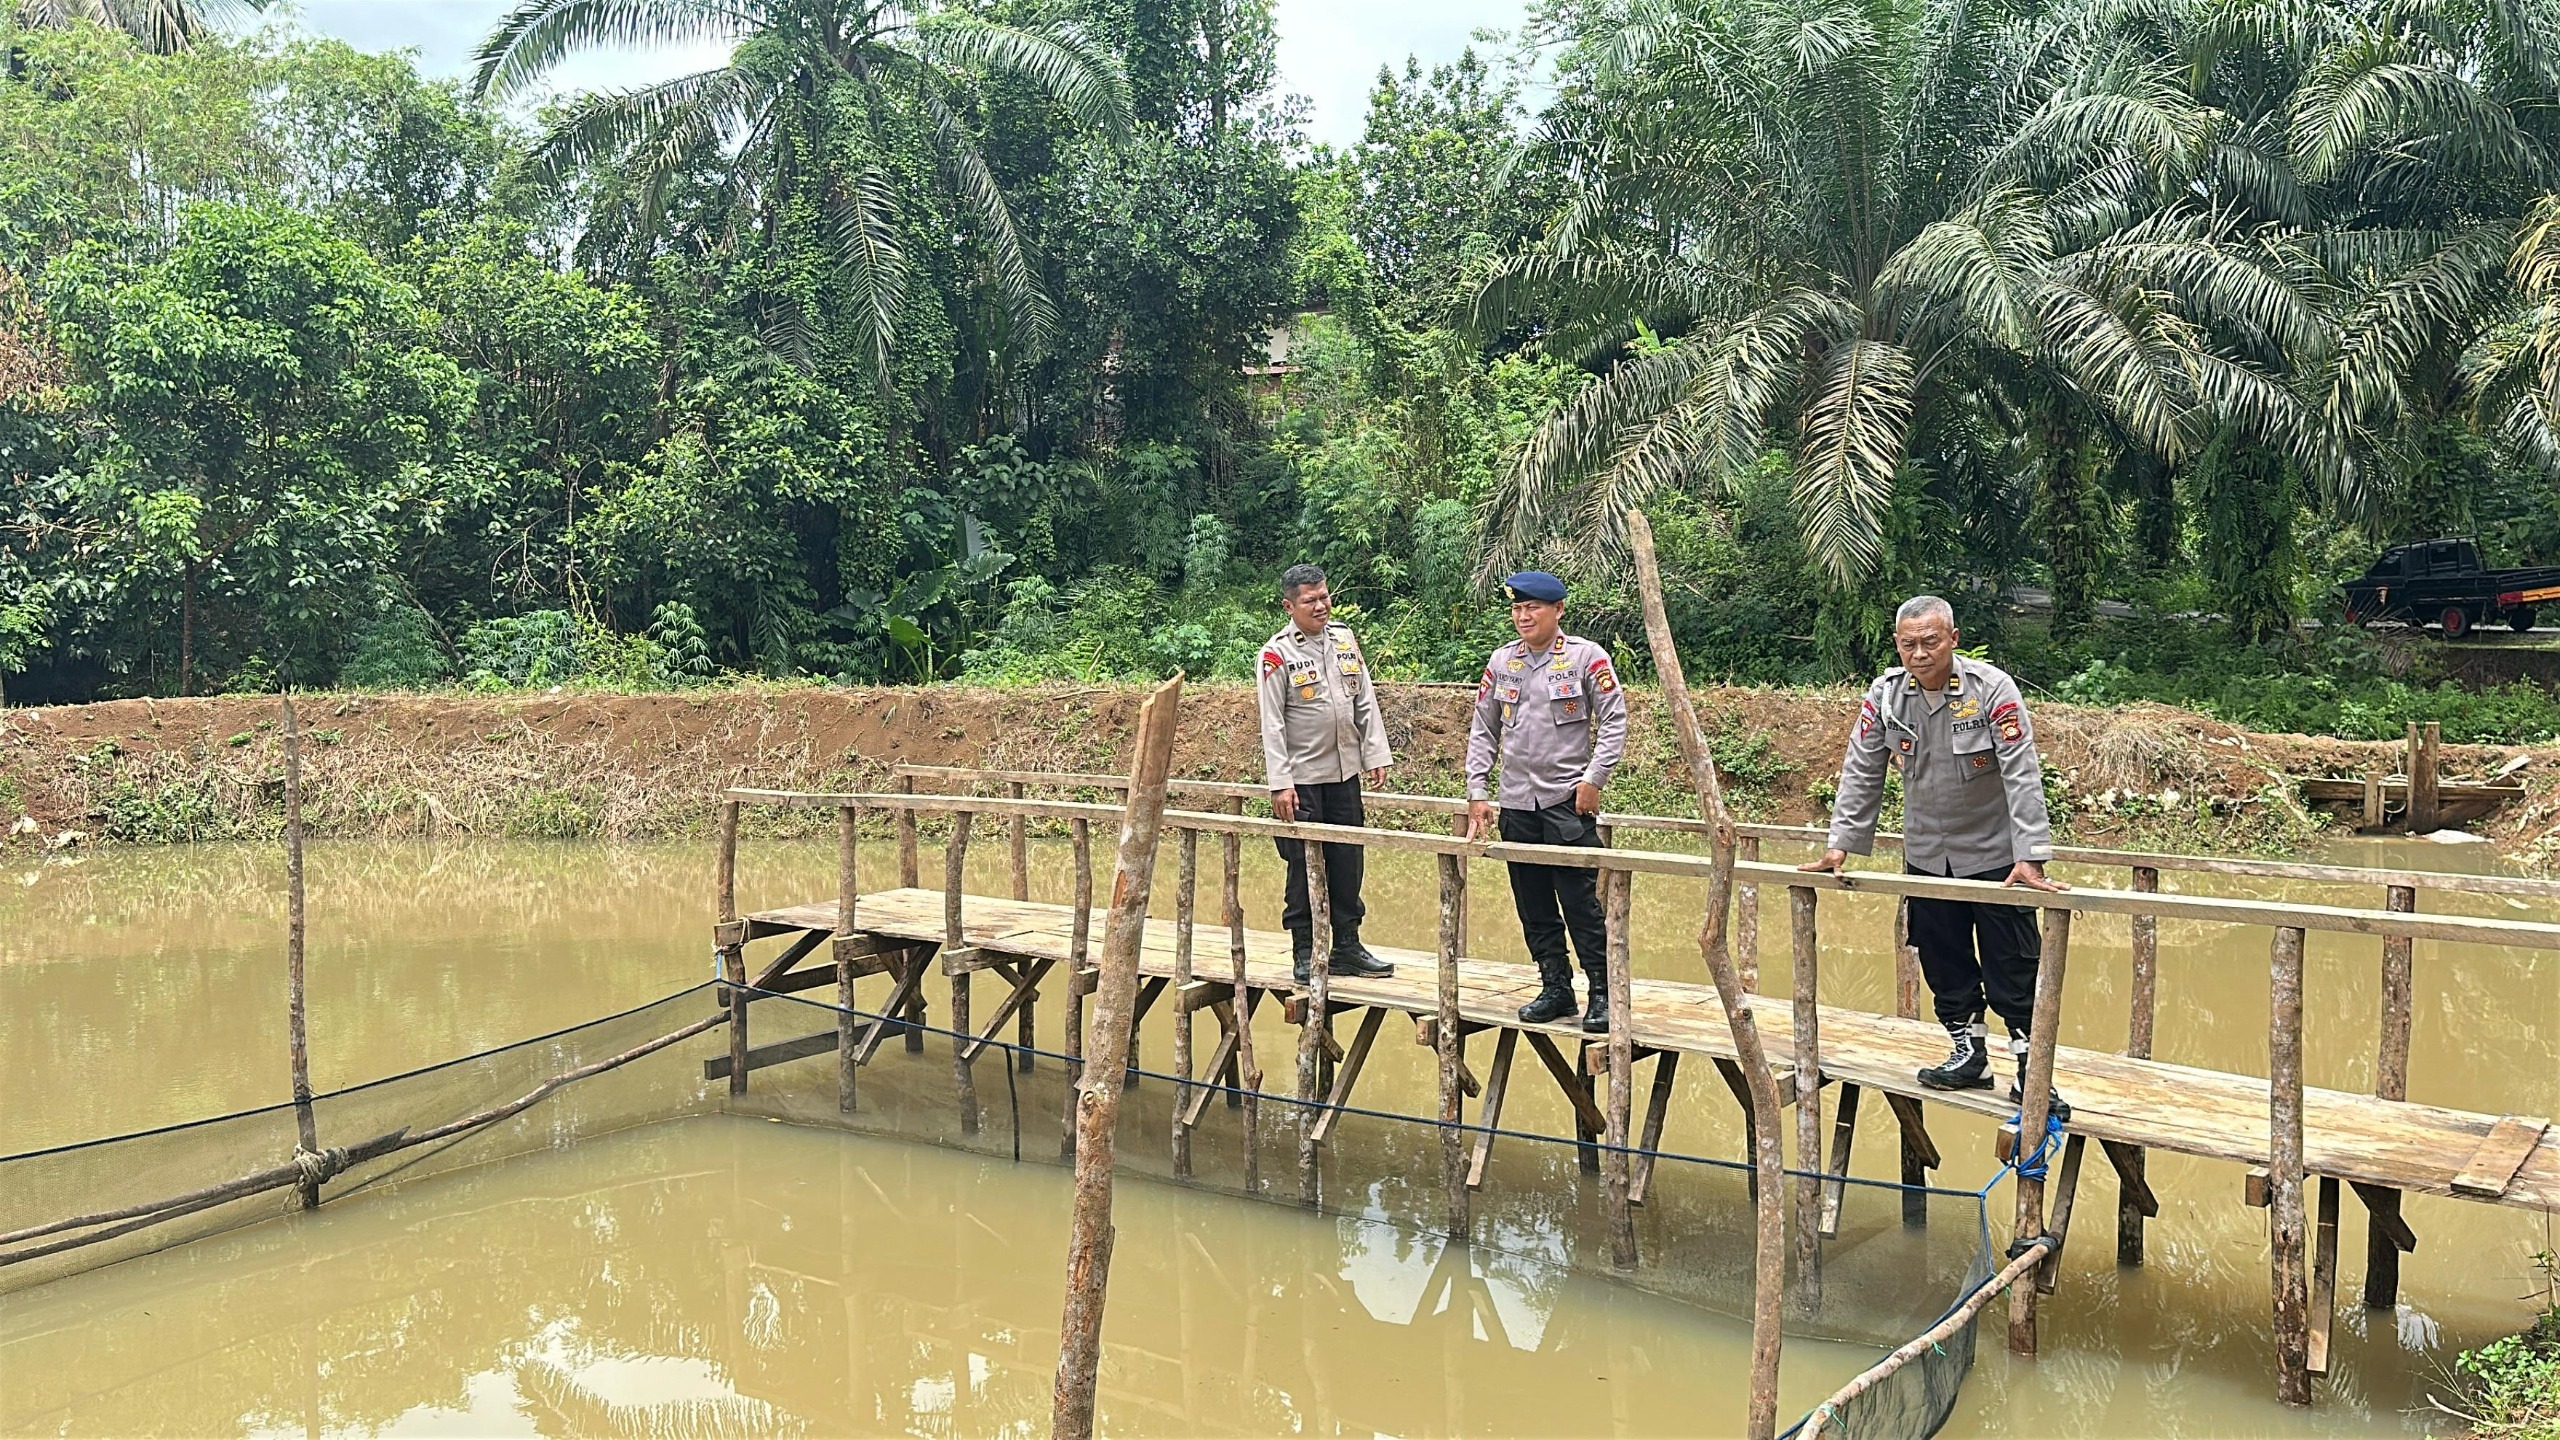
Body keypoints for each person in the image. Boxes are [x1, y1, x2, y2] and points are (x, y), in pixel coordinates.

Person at [1800, 595, 2071, 1119]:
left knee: (2013, 963)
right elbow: (1862, 770)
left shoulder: (1990, 690)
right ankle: (1968, 1053)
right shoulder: (1885, 696)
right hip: (1927, 852)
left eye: (1929, 641)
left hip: (1996, 855)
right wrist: (1840, 845)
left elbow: (2021, 771)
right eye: (1908, 644)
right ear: (1897, 644)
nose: (1919, 653)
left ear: (1953, 639)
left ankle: (2030, 1073)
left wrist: (2031, 854)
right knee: (1943, 959)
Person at [1463, 571, 1629, 1031]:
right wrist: (1478, 791)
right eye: (1517, 609)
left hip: (1566, 801)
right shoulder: (1502, 663)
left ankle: (1603, 991)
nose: (1523, 616)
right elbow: (1484, 730)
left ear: (1557, 610)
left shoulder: (1585, 658)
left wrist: (1594, 778)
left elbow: (1614, 721)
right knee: (1532, 902)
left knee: (1580, 902)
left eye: (1532, 608)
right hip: (1517, 803)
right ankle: (1555, 986)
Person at [1258, 563, 1396, 985]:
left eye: (1324, 597)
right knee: (1302, 863)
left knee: (1348, 857)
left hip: (1344, 773)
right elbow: (1272, 723)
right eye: (1309, 600)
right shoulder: (1277, 653)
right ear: (1289, 605)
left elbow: (1365, 701)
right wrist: (1280, 784)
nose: (1320, 606)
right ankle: (1304, 948)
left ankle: (1347, 946)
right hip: (1301, 778)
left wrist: (1376, 754)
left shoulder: (1344, 640)